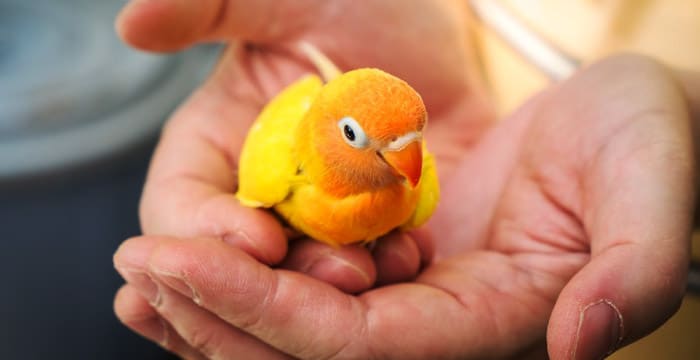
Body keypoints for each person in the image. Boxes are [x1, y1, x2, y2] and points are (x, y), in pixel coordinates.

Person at [111, 1, 700, 359]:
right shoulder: (276, 171)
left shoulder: (410, 193)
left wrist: (687, 116)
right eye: (359, 139)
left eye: (411, 142)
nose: (408, 166)